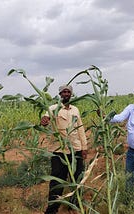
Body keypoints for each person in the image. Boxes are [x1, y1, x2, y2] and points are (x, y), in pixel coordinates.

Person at [41, 84, 88, 214]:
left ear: (71, 94)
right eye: (64, 92)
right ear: (60, 94)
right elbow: (46, 119)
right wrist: (44, 120)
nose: (66, 94)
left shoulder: (75, 110)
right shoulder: (53, 108)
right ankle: (52, 209)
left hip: (76, 149)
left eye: (68, 92)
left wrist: (84, 147)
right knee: (56, 181)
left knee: (77, 179)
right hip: (59, 150)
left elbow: (81, 129)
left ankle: (74, 205)